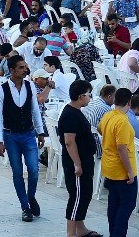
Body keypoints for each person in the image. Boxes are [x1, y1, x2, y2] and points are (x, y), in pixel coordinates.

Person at [0, 55, 45, 222]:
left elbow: (35, 111)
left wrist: (40, 131)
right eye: (21, 67)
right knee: (17, 172)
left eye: (25, 67)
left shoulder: (30, 86)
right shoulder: (1, 90)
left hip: (29, 134)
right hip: (10, 136)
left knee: (34, 171)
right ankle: (25, 207)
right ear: (12, 70)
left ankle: (31, 197)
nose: (25, 70)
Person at [59, 80, 98, 237]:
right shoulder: (70, 115)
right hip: (77, 162)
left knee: (85, 194)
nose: (90, 97)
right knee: (77, 197)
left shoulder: (76, 111)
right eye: (89, 94)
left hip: (84, 160)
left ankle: (80, 229)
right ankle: (71, 233)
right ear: (81, 96)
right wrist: (77, 164)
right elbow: (69, 142)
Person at [98, 88, 137, 237]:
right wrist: (130, 172)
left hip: (109, 166)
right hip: (122, 170)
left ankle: (113, 232)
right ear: (129, 102)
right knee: (127, 204)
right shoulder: (122, 121)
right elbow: (122, 149)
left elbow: (101, 130)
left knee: (114, 204)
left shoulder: (108, 115)